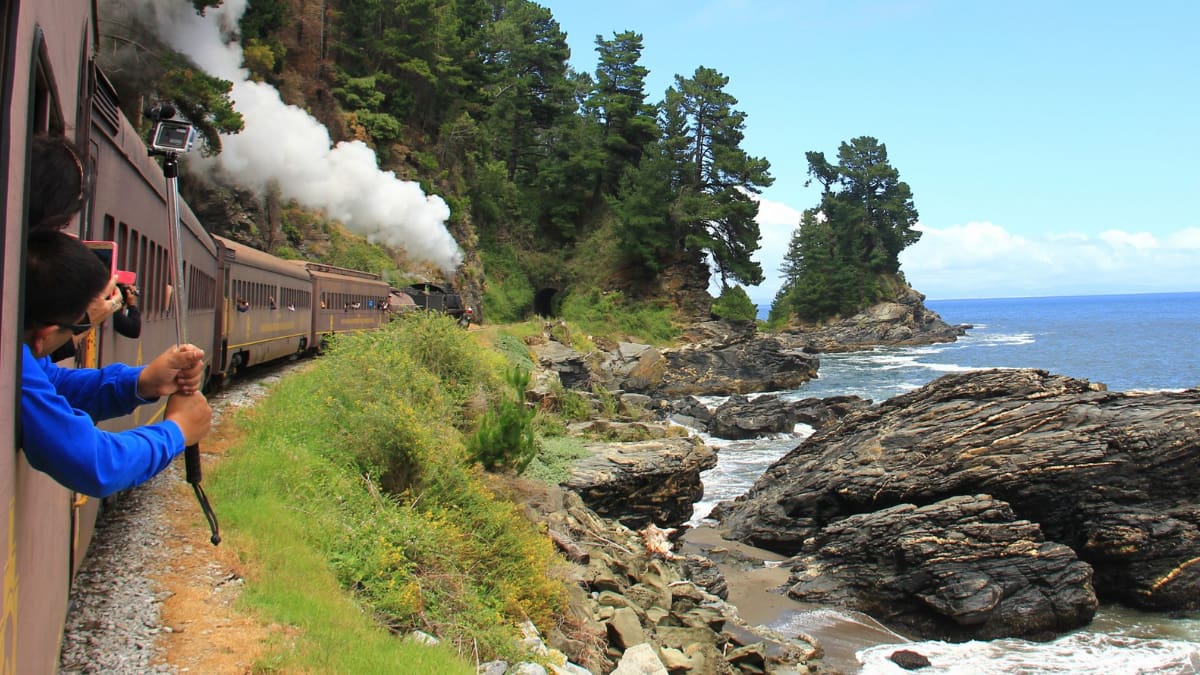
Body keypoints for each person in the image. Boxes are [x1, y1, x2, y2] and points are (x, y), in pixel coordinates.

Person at [20, 135, 212, 497]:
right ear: (45, 334)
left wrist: (141, 382)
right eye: (60, 228)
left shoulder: (25, 352)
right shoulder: (12, 356)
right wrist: (176, 431)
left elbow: (53, 386)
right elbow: (96, 464)